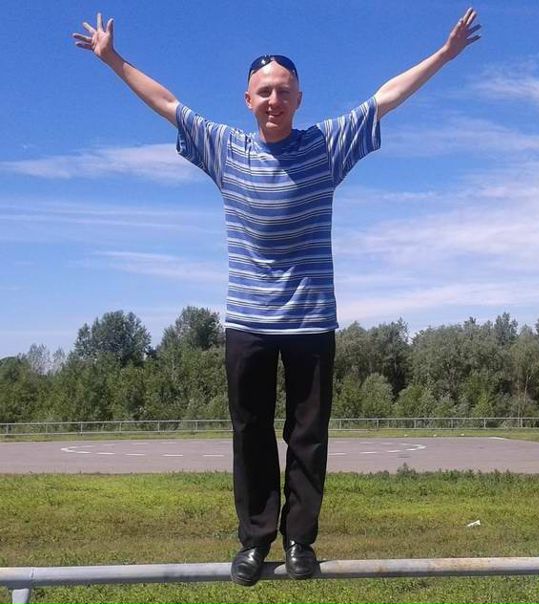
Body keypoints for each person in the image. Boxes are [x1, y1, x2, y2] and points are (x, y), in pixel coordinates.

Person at [73, 8, 481, 587]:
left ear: (298, 99)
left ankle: (299, 540)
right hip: (248, 321)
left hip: (312, 321)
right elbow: (167, 103)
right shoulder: (225, 149)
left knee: (307, 437)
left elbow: (384, 99)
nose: (273, 99)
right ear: (248, 100)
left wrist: (443, 55)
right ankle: (255, 539)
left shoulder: (327, 146)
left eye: (283, 91)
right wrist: (112, 58)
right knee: (251, 434)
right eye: (264, 91)